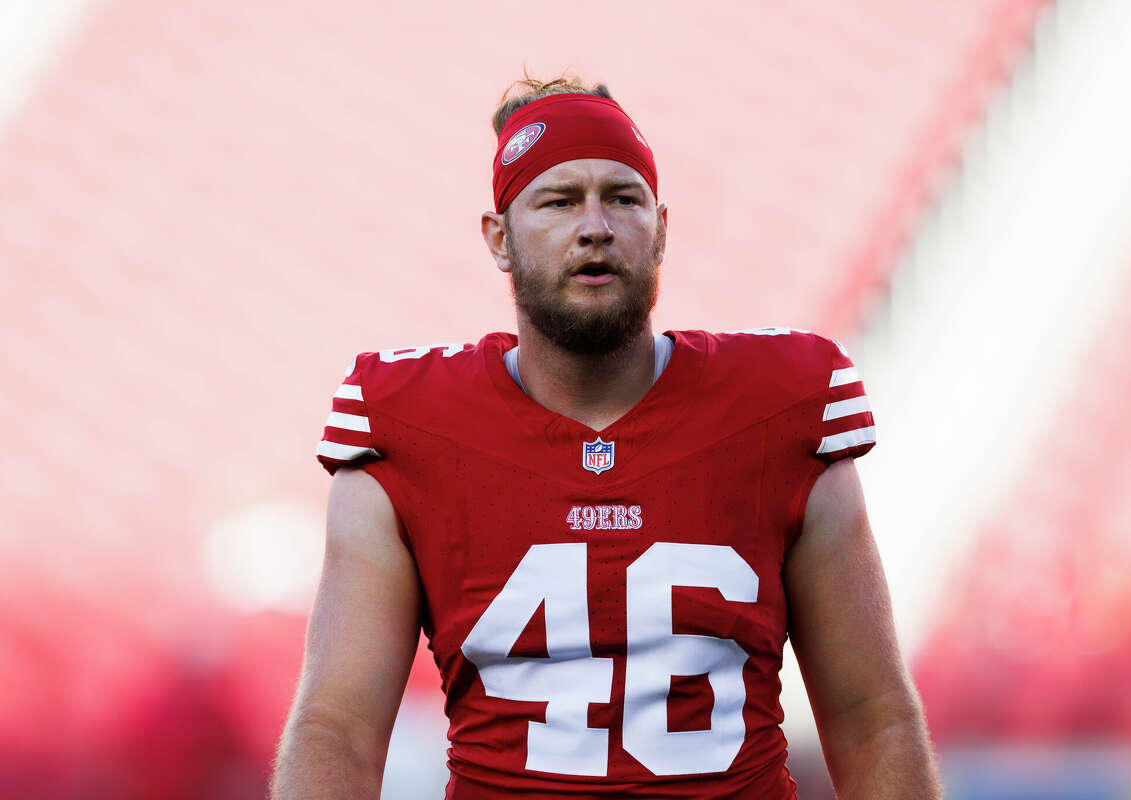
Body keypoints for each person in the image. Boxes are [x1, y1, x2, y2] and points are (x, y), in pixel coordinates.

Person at [272, 76, 941, 799]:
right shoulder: (408, 430)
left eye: (622, 198)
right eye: (558, 201)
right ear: (499, 238)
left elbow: (872, 719)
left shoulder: (781, 411)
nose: (595, 226)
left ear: (661, 229)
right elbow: (336, 728)